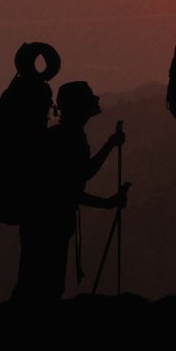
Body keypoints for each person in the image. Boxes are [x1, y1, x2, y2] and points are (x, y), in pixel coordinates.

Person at [12, 81, 128, 303]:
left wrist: (110, 145)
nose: (95, 100)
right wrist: (107, 203)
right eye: (89, 98)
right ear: (79, 107)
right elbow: (70, 188)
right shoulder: (70, 139)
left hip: (38, 222)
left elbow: (80, 176)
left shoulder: (62, 136)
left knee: (32, 285)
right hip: (50, 224)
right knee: (47, 287)